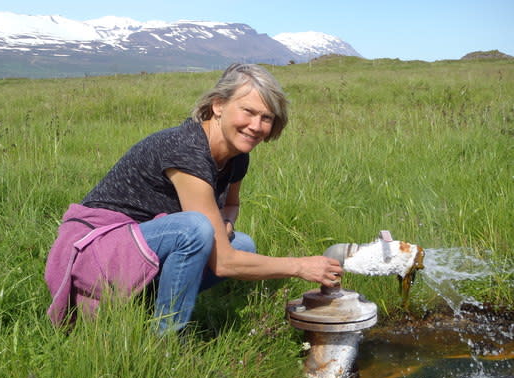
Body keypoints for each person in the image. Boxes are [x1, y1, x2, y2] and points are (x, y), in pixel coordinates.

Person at [44, 63, 343, 332]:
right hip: (95, 252)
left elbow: (231, 204)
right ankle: (167, 338)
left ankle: (145, 304)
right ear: (218, 106)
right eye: (248, 111)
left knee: (242, 244)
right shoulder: (187, 150)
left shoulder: (237, 155)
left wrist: (226, 221)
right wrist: (300, 266)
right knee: (195, 230)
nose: (256, 126)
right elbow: (224, 263)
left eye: (266, 117)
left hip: (140, 245)